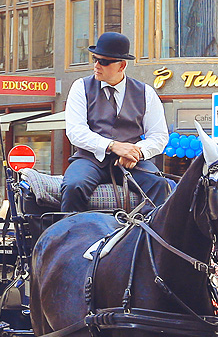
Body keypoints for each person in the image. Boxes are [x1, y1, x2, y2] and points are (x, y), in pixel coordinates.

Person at [61, 31, 169, 211]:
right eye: (95, 59)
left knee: (159, 185)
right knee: (73, 186)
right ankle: (69, 234)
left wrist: (136, 152)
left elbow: (159, 136)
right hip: (89, 160)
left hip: (131, 162)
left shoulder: (146, 93)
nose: (96, 65)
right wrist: (112, 145)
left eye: (103, 61)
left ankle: (146, 236)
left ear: (122, 65)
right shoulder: (80, 87)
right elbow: (75, 131)